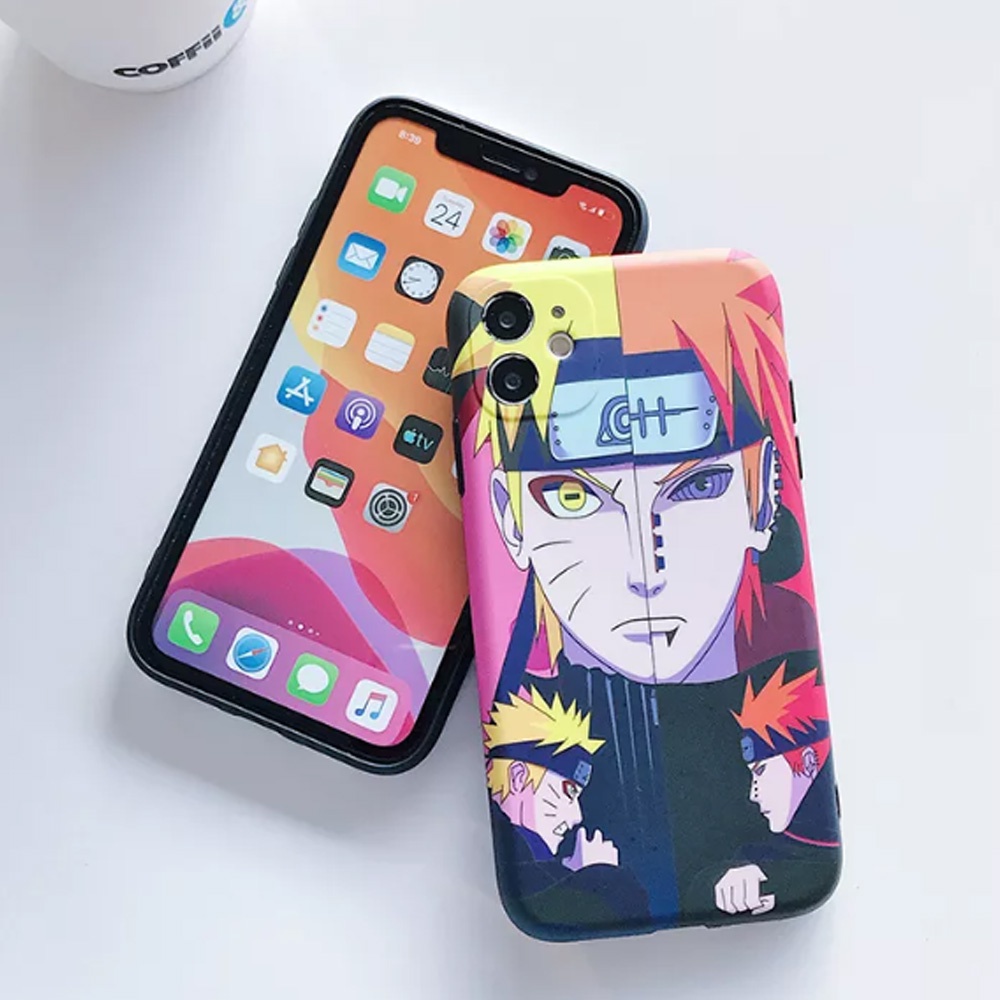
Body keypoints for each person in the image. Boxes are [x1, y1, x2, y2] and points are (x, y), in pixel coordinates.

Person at [451, 251, 839, 925]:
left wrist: (773, 864)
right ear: (510, 519)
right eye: (573, 498)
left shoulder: (784, 666)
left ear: (762, 492)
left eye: (697, 485)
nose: (644, 567)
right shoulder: (528, 706)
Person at [483, 686, 648, 930]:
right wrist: (600, 874)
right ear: (518, 777)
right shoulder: (520, 865)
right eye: (568, 792)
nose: (576, 816)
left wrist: (574, 872)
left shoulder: (527, 861)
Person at [714, 664, 840, 917]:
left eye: (761, 771)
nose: (753, 793)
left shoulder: (815, 860)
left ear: (808, 762)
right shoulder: (760, 853)